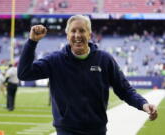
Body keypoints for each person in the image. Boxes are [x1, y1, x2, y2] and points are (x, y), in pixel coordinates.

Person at [18, 15, 158, 135]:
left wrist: (143, 105)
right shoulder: (55, 60)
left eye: (82, 31)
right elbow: (24, 73)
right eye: (73, 31)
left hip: (96, 130)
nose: (77, 35)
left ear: (89, 34)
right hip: (66, 131)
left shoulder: (105, 59)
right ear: (67, 35)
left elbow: (124, 90)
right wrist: (32, 42)